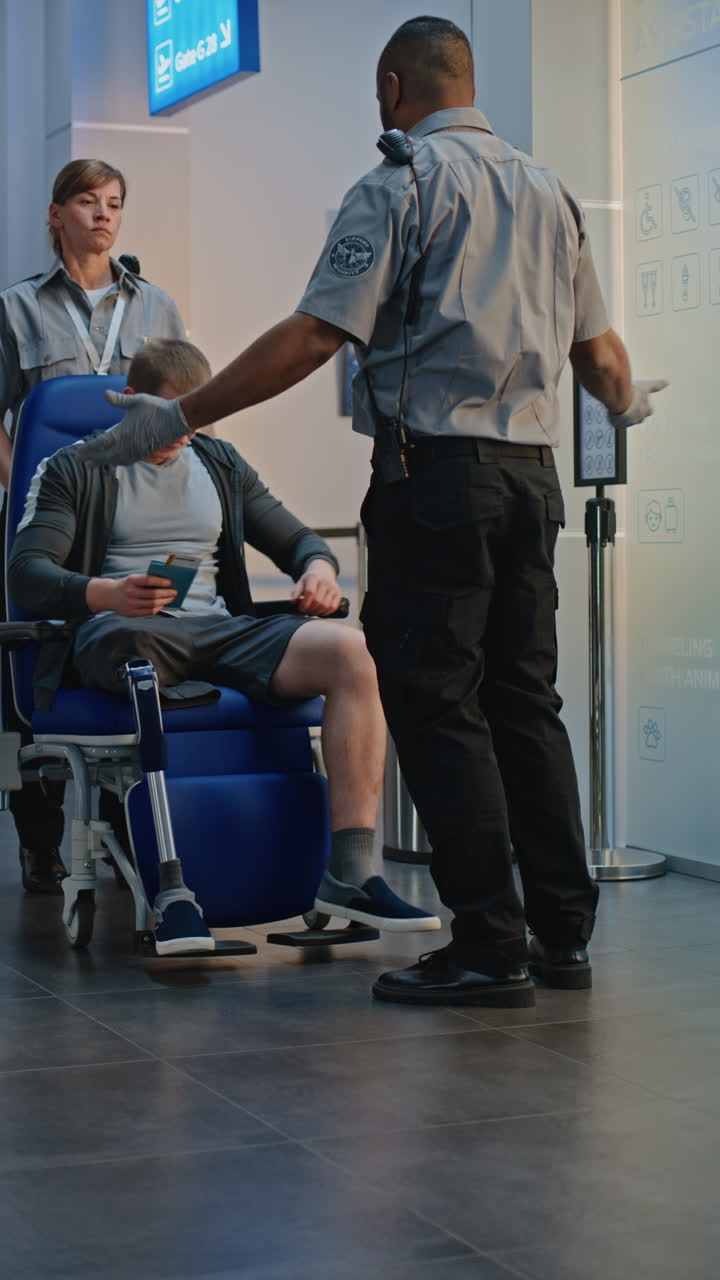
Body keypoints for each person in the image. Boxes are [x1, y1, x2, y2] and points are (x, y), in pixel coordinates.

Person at [77, 18, 667, 1003]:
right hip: (534, 480)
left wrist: (181, 413)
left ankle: (488, 943)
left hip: (434, 479)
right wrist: (627, 403)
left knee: (438, 703)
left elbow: (314, 337)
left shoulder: (400, 184)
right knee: (526, 702)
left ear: (393, 88)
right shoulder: (550, 193)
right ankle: (563, 935)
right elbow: (603, 360)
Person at [8, 338, 441, 953]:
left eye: (196, 417)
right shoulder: (75, 468)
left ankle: (352, 872)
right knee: (137, 646)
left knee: (353, 653)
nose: (183, 433)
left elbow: (297, 540)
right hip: (124, 629)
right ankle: (174, 887)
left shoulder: (218, 463)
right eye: (169, 417)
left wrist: (315, 569)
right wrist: (106, 593)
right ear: (130, 403)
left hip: (217, 631)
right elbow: (27, 572)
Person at [0, 158, 185, 894]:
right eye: (87, 201)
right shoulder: (15, 309)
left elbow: (178, 405)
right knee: (36, 673)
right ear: (56, 214)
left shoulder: (158, 308)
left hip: (134, 518)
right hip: (45, 521)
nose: (103, 215)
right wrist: (24, 493)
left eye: (114, 203)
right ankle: (41, 845)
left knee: (122, 663)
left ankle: (130, 838)